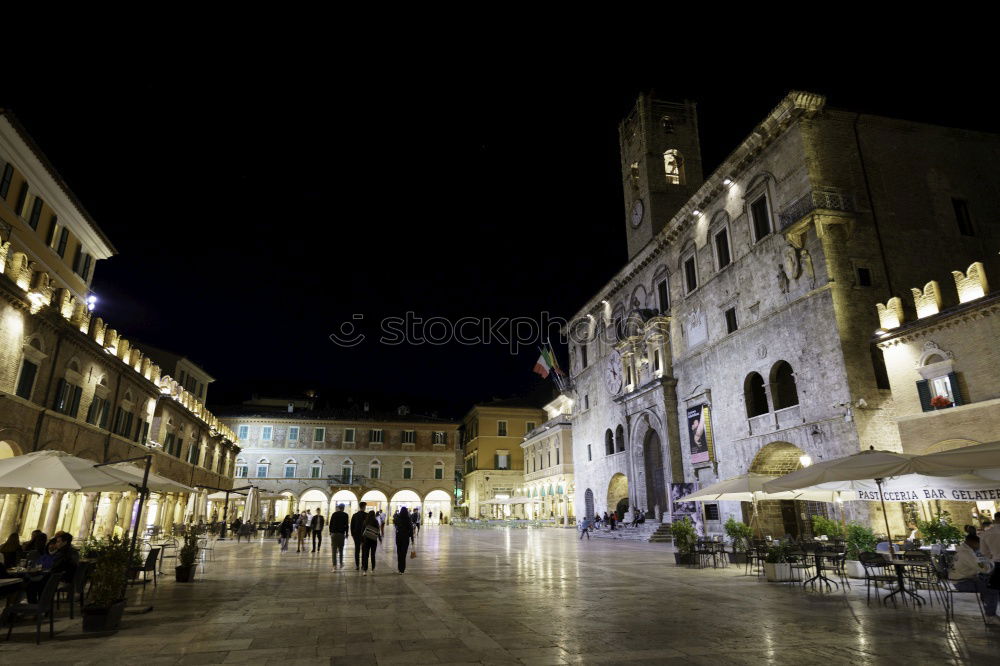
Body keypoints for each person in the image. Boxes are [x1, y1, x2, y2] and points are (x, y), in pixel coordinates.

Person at [951, 533, 999, 624]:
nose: (980, 546)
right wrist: (991, 562)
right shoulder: (967, 554)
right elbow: (985, 569)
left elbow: (982, 564)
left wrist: (986, 561)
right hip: (962, 583)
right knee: (992, 588)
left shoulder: (965, 551)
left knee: (989, 582)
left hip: (965, 579)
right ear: (973, 543)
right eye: (979, 544)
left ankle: (988, 607)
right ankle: (990, 616)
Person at [329, 504, 349, 569]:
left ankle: (334, 565)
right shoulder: (345, 515)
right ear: (343, 508)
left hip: (334, 534)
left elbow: (331, 523)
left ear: (338, 508)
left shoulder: (334, 514)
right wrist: (346, 533)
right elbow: (346, 525)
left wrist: (330, 532)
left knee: (334, 550)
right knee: (341, 549)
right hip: (341, 534)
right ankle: (340, 563)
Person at [361, 510, 380, 575]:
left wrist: (362, 541)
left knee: (366, 555)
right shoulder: (376, 521)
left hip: (366, 540)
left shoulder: (365, 521)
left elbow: (362, 531)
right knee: (373, 555)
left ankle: (365, 571)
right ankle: (373, 569)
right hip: (374, 540)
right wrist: (379, 538)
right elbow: (378, 530)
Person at [350, 502, 368, 570]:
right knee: (364, 551)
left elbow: (352, 525)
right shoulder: (367, 515)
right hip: (364, 536)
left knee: (357, 550)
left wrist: (352, 534)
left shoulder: (355, 515)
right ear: (364, 507)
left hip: (356, 535)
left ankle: (357, 565)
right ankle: (363, 565)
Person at [395, 507, 414, 573]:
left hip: (398, 537)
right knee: (403, 553)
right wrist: (412, 538)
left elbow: (396, 526)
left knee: (399, 552)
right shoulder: (408, 519)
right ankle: (402, 569)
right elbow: (411, 529)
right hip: (405, 537)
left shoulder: (398, 518)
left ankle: (399, 568)